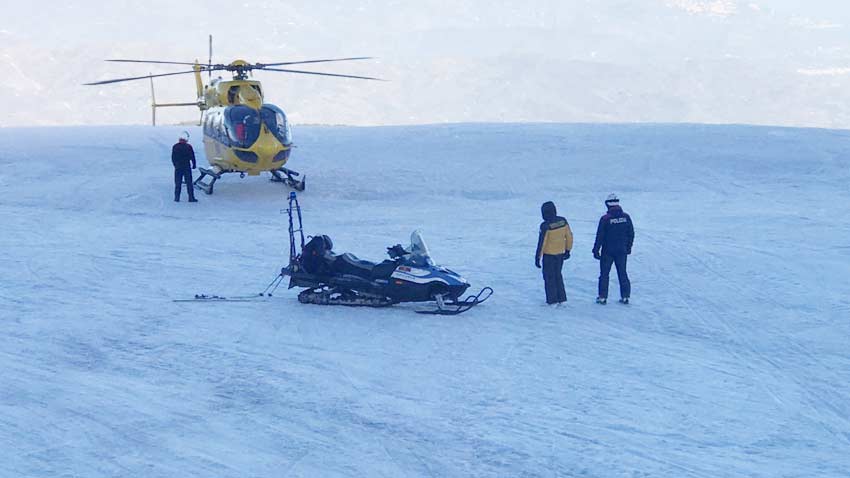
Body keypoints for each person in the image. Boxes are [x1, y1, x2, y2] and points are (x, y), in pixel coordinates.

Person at [592, 193, 634, 304]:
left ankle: (602, 297)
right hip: (621, 250)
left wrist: (596, 250)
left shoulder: (605, 219)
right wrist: (628, 247)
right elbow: (631, 233)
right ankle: (625, 296)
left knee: (604, 274)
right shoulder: (626, 217)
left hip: (607, 251)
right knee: (622, 273)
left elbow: (600, 236)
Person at [535, 201, 573, 305]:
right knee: (558, 275)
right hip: (560, 254)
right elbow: (569, 236)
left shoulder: (545, 225)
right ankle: (562, 298)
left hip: (549, 256)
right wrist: (568, 250)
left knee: (549, 277)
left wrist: (538, 258)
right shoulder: (563, 221)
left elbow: (542, 243)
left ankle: (552, 300)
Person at [172, 131, 197, 202]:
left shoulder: (175, 146)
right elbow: (192, 156)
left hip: (178, 167)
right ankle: (191, 198)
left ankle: (177, 198)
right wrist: (194, 164)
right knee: (189, 183)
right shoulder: (188, 147)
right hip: (186, 167)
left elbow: (173, 157)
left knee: (178, 183)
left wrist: (175, 165)